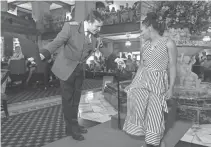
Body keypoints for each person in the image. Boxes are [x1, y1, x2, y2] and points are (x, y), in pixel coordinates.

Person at [39, 10, 111, 141]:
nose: (99, 29)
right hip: (66, 68)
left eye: (100, 26)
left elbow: (94, 51)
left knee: (76, 100)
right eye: (97, 26)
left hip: (79, 70)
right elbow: (57, 41)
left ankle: (73, 125)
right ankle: (72, 128)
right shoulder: (71, 27)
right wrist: (44, 52)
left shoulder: (95, 36)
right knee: (68, 100)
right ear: (89, 22)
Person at [123, 12, 177, 147]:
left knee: (155, 114)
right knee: (140, 109)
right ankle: (150, 141)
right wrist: (133, 84)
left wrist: (171, 87)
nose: (141, 33)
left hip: (158, 82)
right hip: (143, 80)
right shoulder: (145, 45)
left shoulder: (168, 43)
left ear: (150, 28)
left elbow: (172, 66)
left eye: (142, 30)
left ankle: (154, 142)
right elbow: (142, 66)